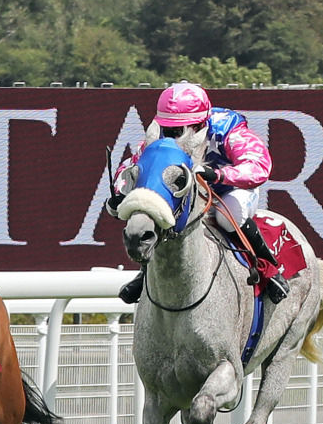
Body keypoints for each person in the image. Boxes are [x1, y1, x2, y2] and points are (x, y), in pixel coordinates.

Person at [110, 82, 289, 305]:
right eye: (168, 129)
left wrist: (218, 175)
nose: (174, 136)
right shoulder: (157, 138)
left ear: (201, 123)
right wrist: (120, 190)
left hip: (230, 188)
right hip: (192, 194)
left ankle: (269, 269)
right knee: (162, 215)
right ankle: (144, 274)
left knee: (228, 217)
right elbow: (130, 165)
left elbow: (259, 165)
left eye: (182, 129)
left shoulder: (229, 131)